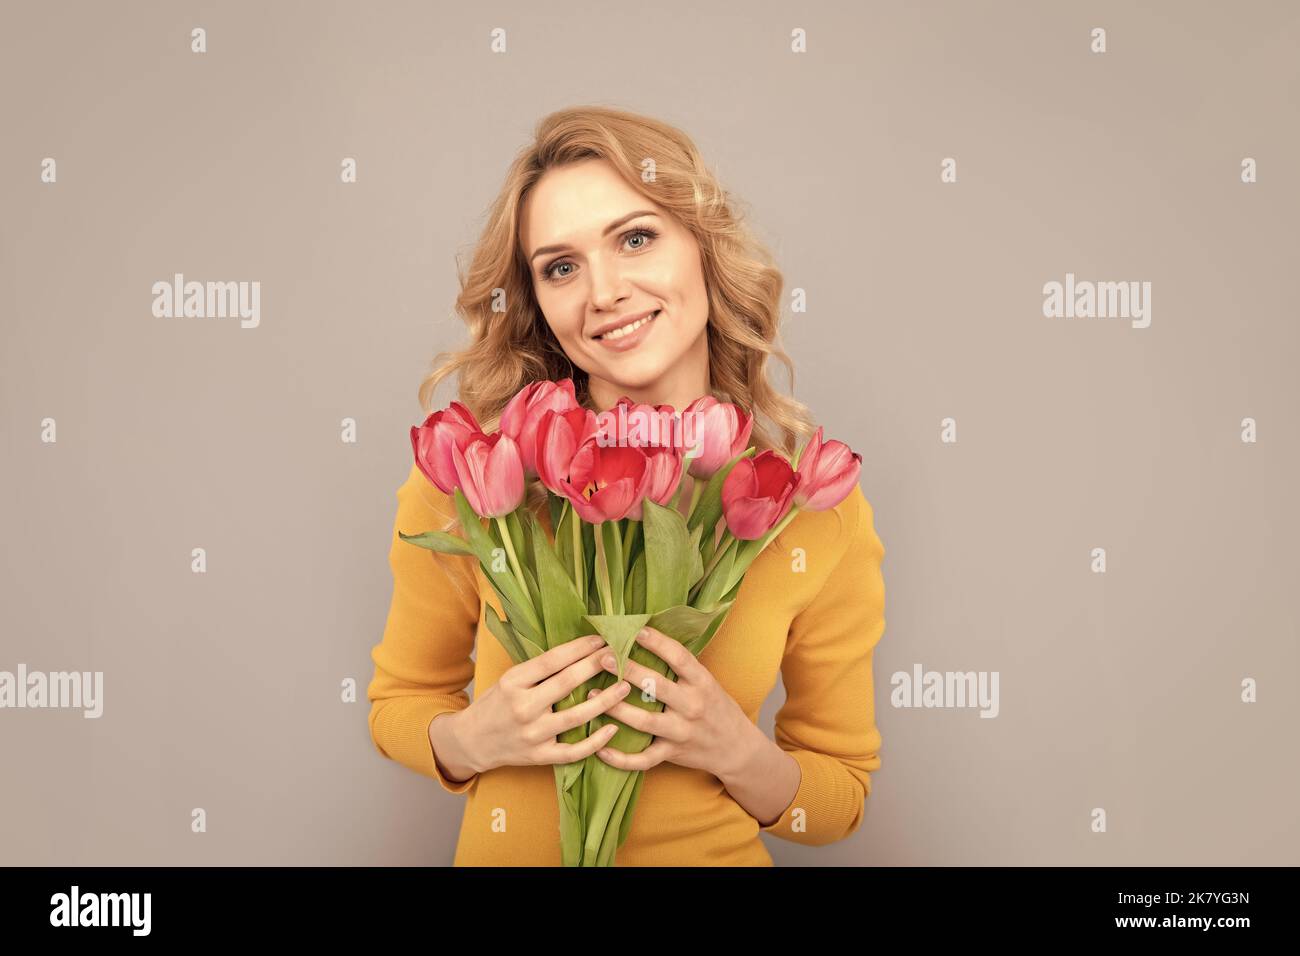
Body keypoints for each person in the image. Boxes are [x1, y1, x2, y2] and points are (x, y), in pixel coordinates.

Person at [367, 105, 886, 866]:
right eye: (560, 266)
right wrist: (471, 741)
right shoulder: (479, 480)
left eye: (635, 238)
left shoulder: (800, 502)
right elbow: (397, 705)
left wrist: (733, 750)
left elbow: (837, 802)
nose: (603, 292)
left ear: (703, 250)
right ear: (537, 300)